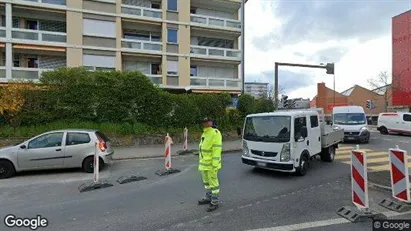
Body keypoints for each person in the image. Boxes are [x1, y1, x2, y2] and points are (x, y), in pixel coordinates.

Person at [198, 117, 223, 212]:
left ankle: (215, 202)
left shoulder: (215, 133)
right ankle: (208, 197)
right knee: (206, 183)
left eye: (206, 121)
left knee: (213, 184)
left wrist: (215, 164)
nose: (204, 123)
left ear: (211, 122)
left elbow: (217, 149)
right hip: (204, 164)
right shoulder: (205, 132)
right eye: (203, 122)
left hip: (211, 164)